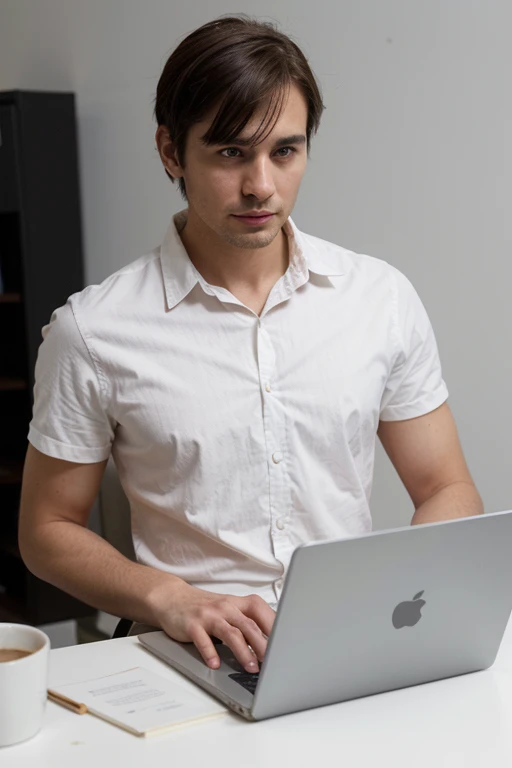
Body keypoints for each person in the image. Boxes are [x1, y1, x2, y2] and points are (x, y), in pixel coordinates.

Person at [19, 15, 482, 675]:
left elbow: (447, 486)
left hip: (353, 642)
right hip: (184, 655)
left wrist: (395, 596)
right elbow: (45, 532)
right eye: (231, 152)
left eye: (285, 151)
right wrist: (169, 596)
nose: (261, 185)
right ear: (171, 152)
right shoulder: (93, 331)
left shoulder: (379, 299)